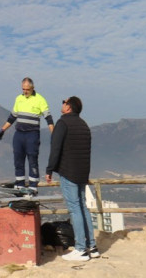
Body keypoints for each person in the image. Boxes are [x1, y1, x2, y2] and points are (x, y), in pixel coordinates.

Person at [45, 96, 97, 262]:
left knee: (75, 208)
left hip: (68, 172)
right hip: (83, 172)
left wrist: (49, 169)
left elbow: (55, 147)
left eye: (64, 102)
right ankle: (92, 246)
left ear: (69, 107)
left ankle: (81, 249)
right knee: (83, 207)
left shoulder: (63, 123)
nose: (62, 104)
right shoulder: (84, 125)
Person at [0, 77, 54, 192]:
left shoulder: (40, 99)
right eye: (23, 89)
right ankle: (20, 185)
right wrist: (2, 130)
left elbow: (49, 118)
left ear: (32, 88)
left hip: (32, 134)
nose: (25, 92)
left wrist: (54, 134)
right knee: (18, 159)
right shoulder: (19, 99)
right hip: (19, 134)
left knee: (32, 159)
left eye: (27, 89)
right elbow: (12, 117)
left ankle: (33, 186)